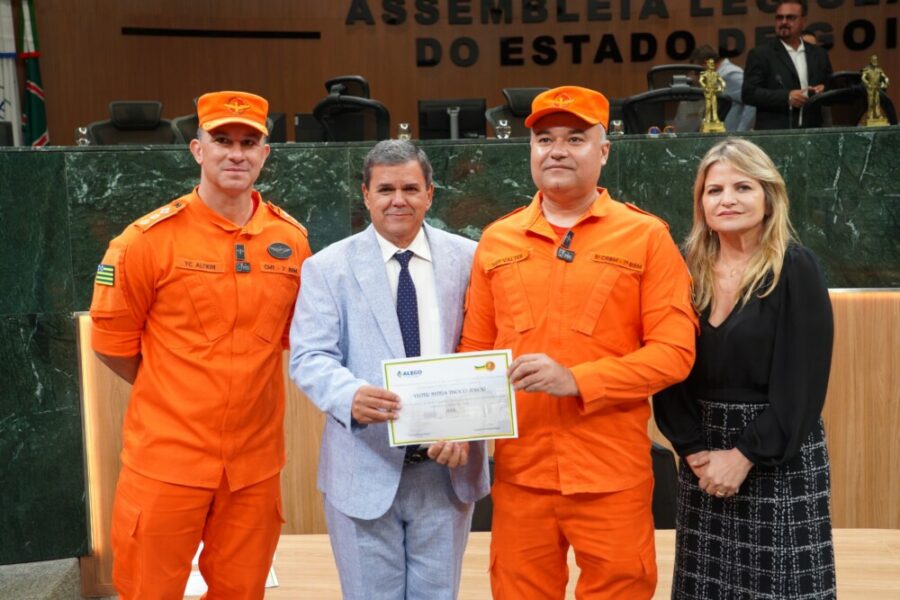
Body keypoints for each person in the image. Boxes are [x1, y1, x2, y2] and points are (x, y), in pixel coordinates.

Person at [459, 85, 698, 599]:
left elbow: (675, 351)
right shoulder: (496, 241)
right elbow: (473, 355)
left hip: (610, 474)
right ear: (531, 151)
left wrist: (578, 380)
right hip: (520, 474)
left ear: (604, 150)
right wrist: (452, 423)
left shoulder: (646, 236)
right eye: (544, 138)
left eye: (575, 138)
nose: (557, 150)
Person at [89, 90, 312, 599]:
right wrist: (179, 393)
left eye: (249, 142)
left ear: (264, 155)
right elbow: (112, 345)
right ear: (197, 149)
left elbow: (289, 338)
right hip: (167, 463)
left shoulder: (292, 240)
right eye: (223, 140)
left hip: (253, 470)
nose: (236, 153)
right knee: (149, 591)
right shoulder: (145, 241)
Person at [289, 140, 489, 600]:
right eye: (385, 189)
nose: (398, 199)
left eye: (410, 188)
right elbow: (309, 356)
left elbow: (486, 348)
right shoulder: (327, 268)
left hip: (445, 471)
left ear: (430, 194)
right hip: (364, 465)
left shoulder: (471, 259)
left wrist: (469, 424)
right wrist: (348, 396)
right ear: (365, 194)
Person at [654, 137, 836, 598]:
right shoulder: (681, 268)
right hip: (702, 459)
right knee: (707, 588)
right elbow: (666, 362)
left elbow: (803, 382)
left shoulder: (796, 268)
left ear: (769, 196)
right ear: (700, 203)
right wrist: (693, 450)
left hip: (777, 453)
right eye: (714, 191)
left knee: (779, 587)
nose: (728, 199)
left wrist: (743, 456)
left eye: (743, 187)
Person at [743, 0, 833, 129]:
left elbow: (830, 86)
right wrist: (787, 97)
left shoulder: (819, 54)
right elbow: (748, 93)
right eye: (779, 17)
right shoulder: (760, 54)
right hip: (776, 135)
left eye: (790, 17)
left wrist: (824, 89)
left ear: (803, 21)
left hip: (813, 132)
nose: (784, 22)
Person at [691, 44, 756, 131]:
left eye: (697, 71)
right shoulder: (717, 75)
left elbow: (752, 102)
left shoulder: (730, 74)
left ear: (705, 63)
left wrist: (741, 132)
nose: (698, 75)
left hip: (732, 137)